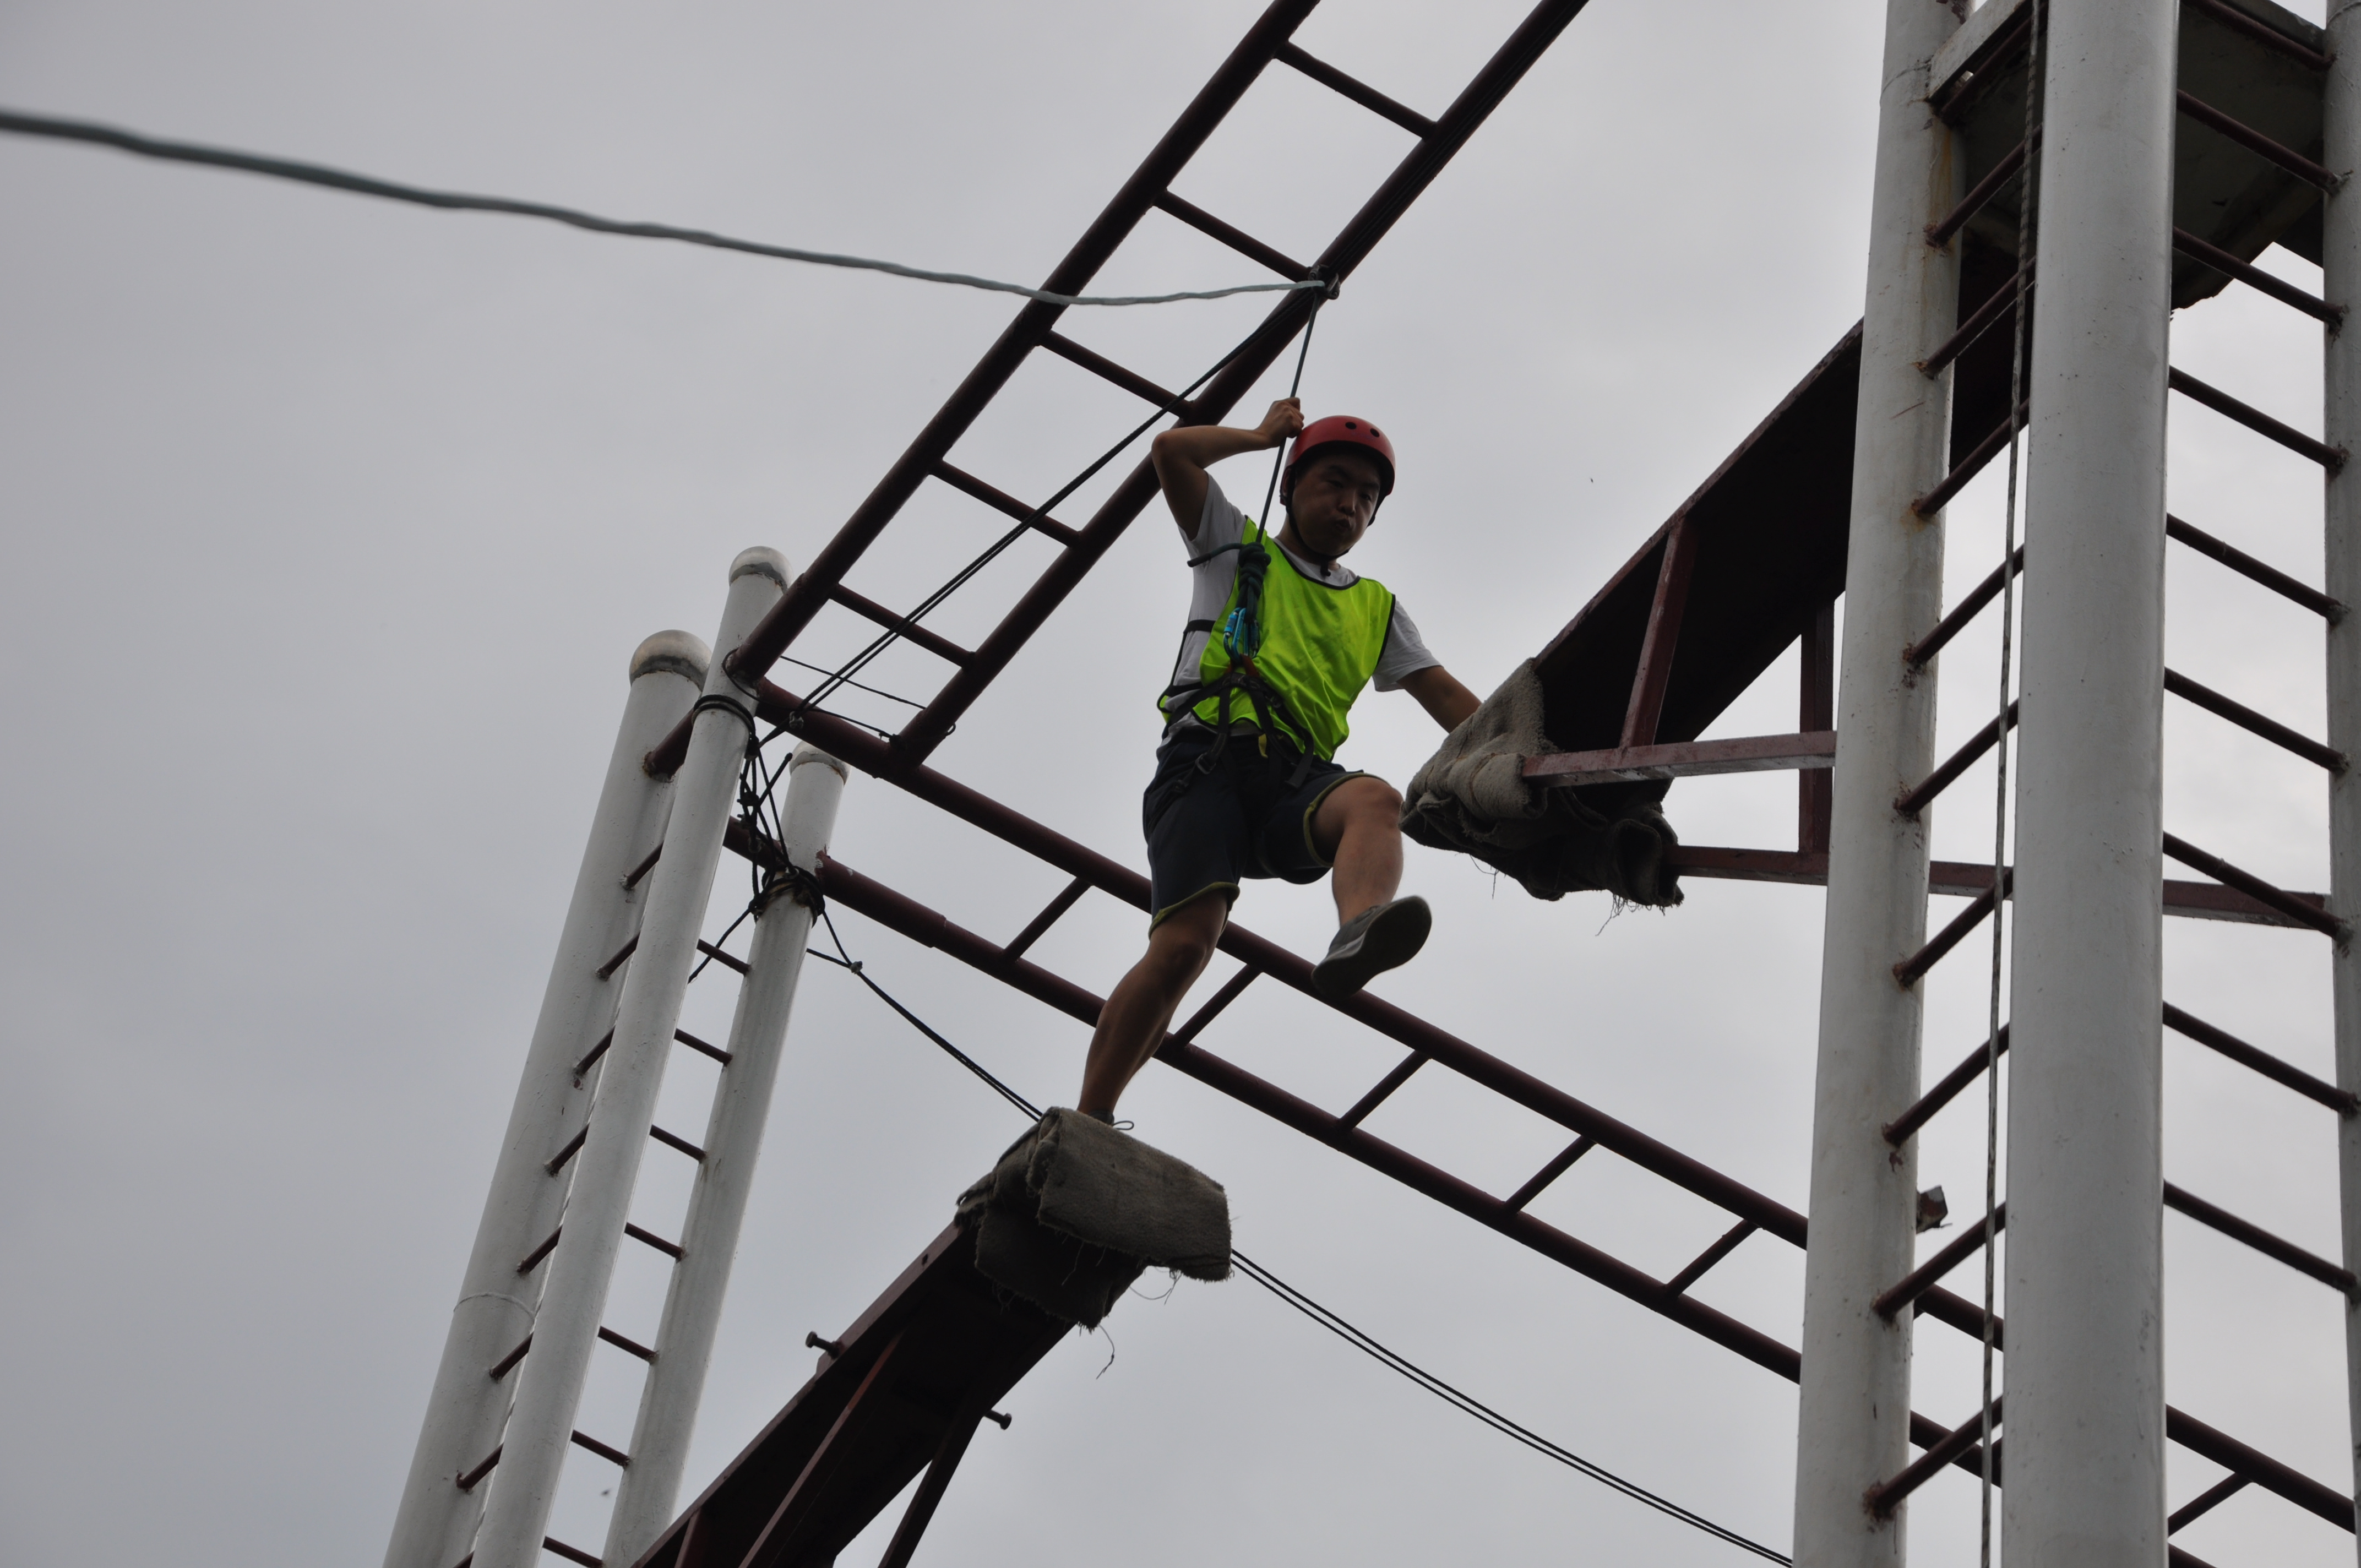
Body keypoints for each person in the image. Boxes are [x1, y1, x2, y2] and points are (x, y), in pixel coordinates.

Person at [1076, 398, 1483, 1120]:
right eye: (1335, 483)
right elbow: (1172, 452)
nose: (1351, 505)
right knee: (1185, 947)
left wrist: (1517, 750)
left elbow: (1445, 694)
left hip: (1294, 781)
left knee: (1374, 800)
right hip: (1205, 762)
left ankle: (1360, 927)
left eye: (1368, 497)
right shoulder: (1233, 547)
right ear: (1292, 486)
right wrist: (1262, 437)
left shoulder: (1376, 607)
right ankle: (1091, 1118)